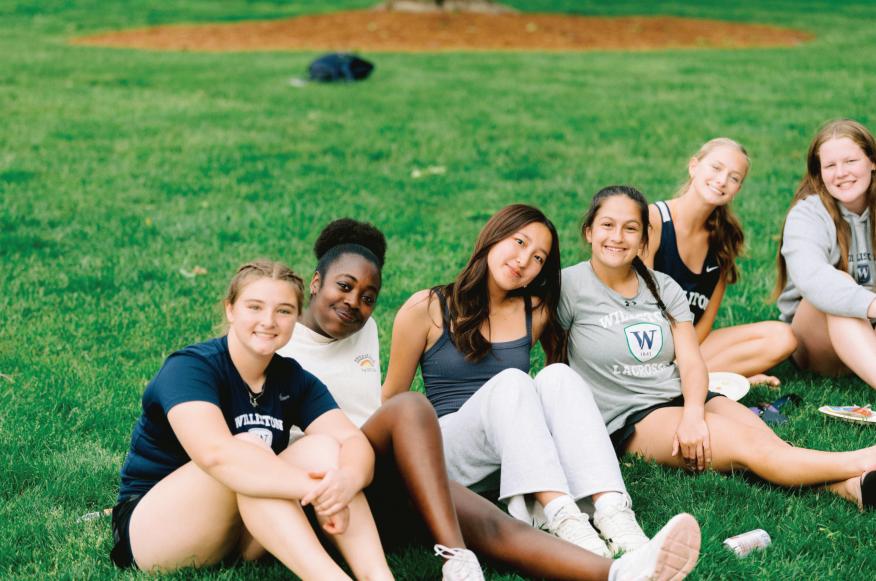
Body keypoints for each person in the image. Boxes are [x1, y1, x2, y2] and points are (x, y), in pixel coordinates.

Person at [282, 217, 702, 581]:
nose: (523, 259)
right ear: (493, 237)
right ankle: (562, 517)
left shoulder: (533, 311)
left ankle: (615, 516)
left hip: (501, 452)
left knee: (557, 376)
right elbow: (391, 398)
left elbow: (581, 341)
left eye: (538, 257)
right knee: (511, 383)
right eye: (518, 242)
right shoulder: (425, 307)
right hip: (438, 449)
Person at [560, 185, 876, 511]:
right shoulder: (567, 286)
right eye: (607, 225)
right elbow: (546, 355)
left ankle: (849, 487)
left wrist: (693, 414)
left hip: (682, 393)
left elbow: (690, 360)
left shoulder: (662, 286)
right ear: (589, 231)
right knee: (751, 446)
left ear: (643, 240)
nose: (617, 237)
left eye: (630, 228)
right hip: (633, 417)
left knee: (770, 445)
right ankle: (864, 459)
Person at [111, 260, 394, 580]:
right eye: (255, 307)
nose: (268, 321)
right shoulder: (190, 368)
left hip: (243, 531)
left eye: (284, 311)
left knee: (324, 448)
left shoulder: (294, 379)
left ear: (296, 319)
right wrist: (319, 491)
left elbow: (353, 440)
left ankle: (378, 576)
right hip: (155, 530)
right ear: (230, 309)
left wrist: (346, 482)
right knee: (248, 450)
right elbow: (216, 455)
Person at [642, 138, 796, 385]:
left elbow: (704, 324)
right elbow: (641, 308)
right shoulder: (653, 221)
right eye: (716, 168)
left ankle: (685, 378)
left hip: (688, 346)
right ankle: (700, 378)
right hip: (643, 343)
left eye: (734, 178)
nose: (722, 180)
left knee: (783, 337)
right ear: (694, 167)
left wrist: (685, 357)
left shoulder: (723, 239)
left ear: (737, 189)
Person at [775, 119, 876, 390]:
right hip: (816, 341)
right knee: (838, 292)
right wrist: (871, 305)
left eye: (851, 161)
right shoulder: (807, 214)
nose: (841, 173)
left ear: (872, 162)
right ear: (819, 173)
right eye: (830, 165)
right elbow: (814, 279)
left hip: (870, 330)